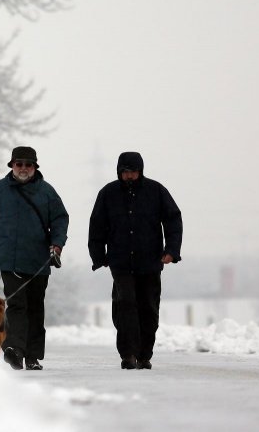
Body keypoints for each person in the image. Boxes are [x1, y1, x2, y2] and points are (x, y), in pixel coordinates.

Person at [0, 146, 69, 371]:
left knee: (35, 307)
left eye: (28, 164)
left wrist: (57, 243)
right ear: (12, 165)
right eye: (19, 163)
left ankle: (33, 356)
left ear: (35, 167)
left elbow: (61, 219)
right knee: (16, 304)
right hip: (9, 258)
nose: (23, 168)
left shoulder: (47, 192)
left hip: (38, 259)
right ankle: (14, 349)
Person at [88, 151, 182, 370]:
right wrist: (98, 255)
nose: (129, 176)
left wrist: (172, 250)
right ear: (119, 172)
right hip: (120, 262)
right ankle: (128, 354)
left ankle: (144, 354)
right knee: (125, 305)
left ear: (140, 171)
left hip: (150, 260)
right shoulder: (108, 193)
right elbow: (97, 226)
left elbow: (173, 220)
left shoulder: (156, 191)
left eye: (133, 172)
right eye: (125, 172)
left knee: (149, 307)